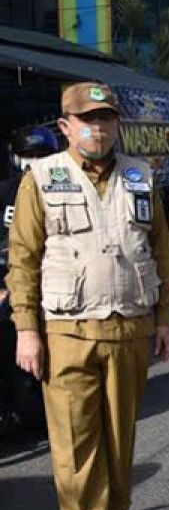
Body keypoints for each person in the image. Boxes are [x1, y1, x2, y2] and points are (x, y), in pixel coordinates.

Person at [7, 82, 169, 510]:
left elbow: (161, 251)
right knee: (75, 441)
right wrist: (26, 331)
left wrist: (165, 316)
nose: (98, 128)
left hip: (129, 324)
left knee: (119, 433)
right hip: (67, 330)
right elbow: (23, 260)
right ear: (65, 125)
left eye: (105, 118)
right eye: (87, 119)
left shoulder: (139, 175)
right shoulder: (42, 177)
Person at [0, 126, 59, 438]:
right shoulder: (6, 191)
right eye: (28, 156)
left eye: (41, 156)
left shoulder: (64, 190)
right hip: (10, 282)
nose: (33, 163)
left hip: (53, 285)